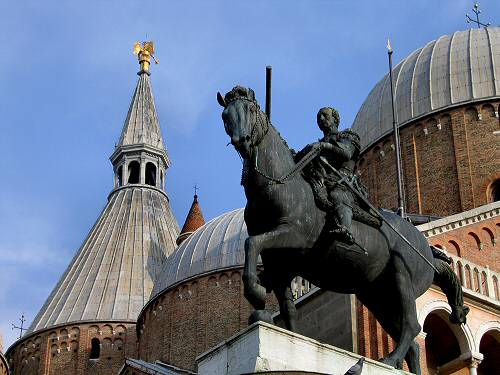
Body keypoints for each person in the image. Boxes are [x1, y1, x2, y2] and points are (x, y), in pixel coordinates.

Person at [298, 107, 364, 244]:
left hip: (342, 181)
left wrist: (325, 146)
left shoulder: (348, 136)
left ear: (335, 119)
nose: (321, 119)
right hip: (322, 179)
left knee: (337, 195)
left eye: (324, 115)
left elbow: (346, 152)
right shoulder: (315, 145)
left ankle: (346, 229)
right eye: (318, 117)